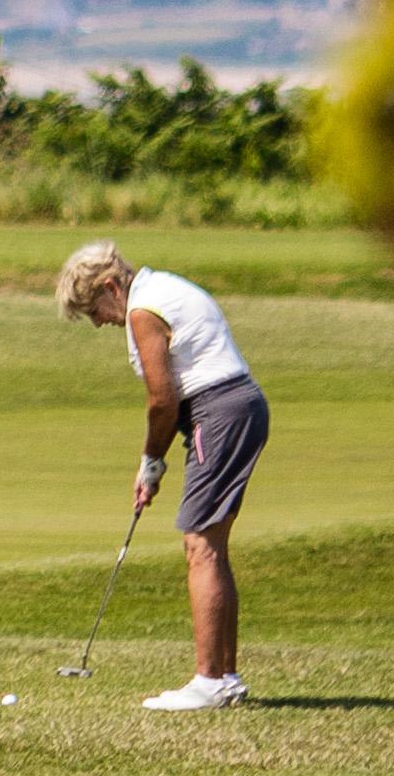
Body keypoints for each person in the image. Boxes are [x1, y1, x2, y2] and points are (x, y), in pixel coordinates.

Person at [58, 239, 266, 710]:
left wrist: (152, 462)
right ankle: (225, 677)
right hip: (233, 407)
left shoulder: (143, 309)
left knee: (200, 545)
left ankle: (210, 681)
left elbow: (162, 400)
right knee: (210, 543)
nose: (97, 322)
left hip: (218, 411)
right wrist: (153, 466)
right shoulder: (163, 286)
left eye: (94, 308)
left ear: (111, 286)